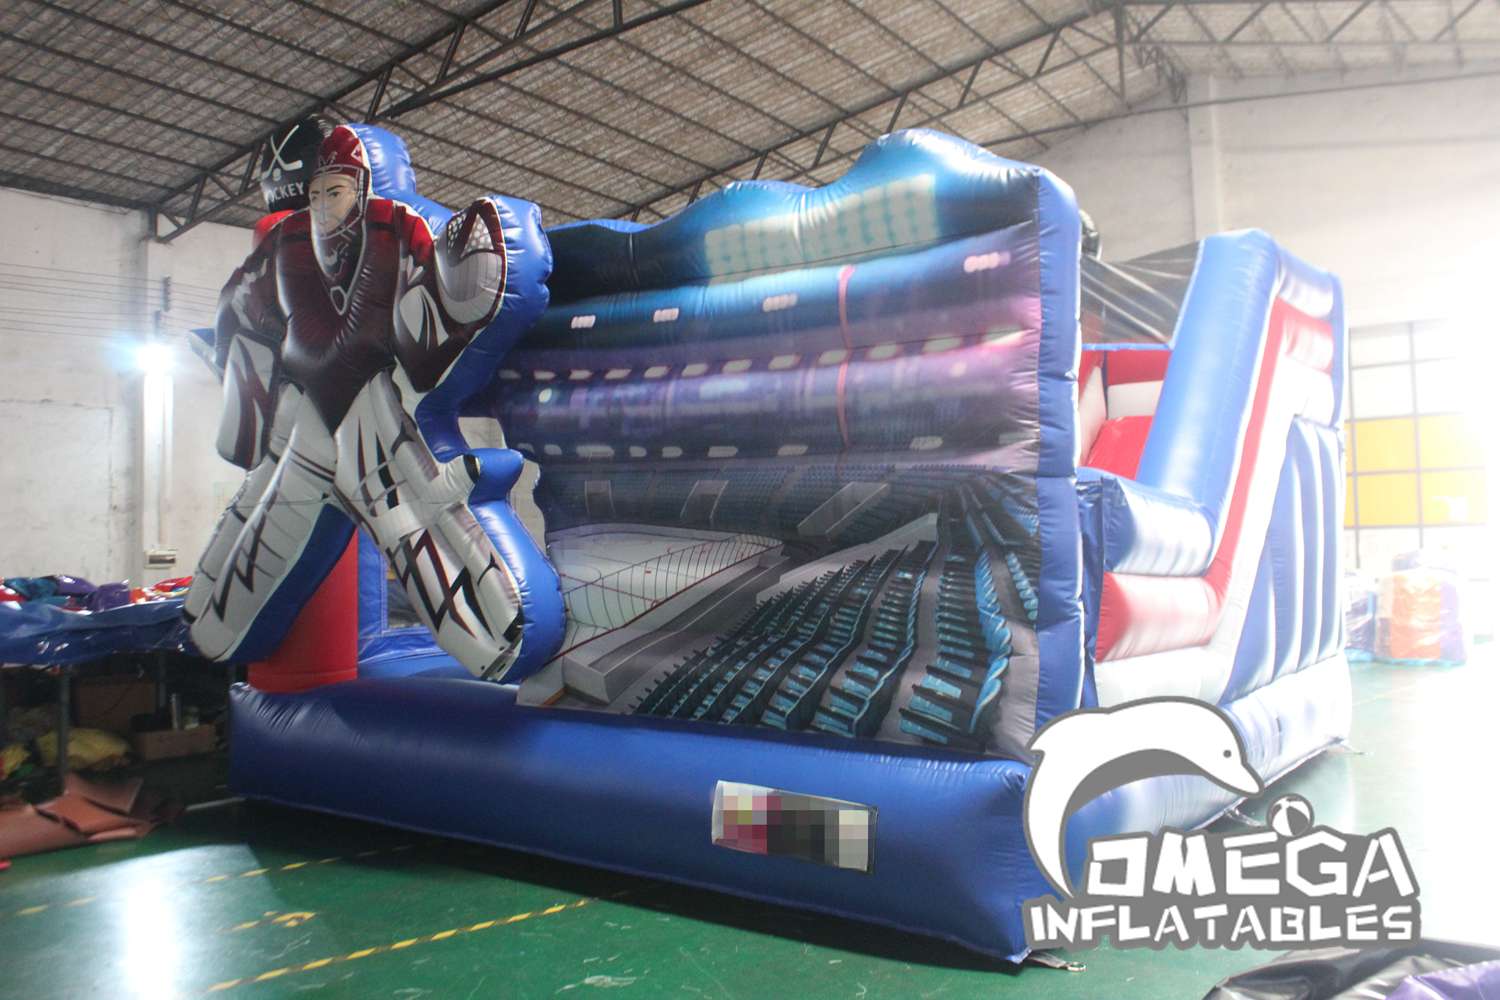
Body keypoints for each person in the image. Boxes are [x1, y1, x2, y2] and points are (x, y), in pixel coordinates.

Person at [183, 124, 534, 680]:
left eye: (337, 191)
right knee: (268, 517)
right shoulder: (288, 241)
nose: (324, 204)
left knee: (410, 523)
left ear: (362, 188)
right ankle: (206, 623)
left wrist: (464, 288)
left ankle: (493, 641)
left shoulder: (393, 228)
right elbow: (238, 304)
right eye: (317, 192)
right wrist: (244, 377)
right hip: (307, 406)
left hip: (365, 401)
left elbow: (432, 293)